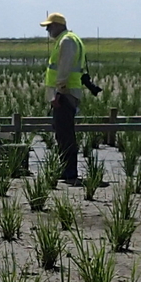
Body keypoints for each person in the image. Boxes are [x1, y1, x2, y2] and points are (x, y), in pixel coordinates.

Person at [41, 12, 85, 184]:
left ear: (58, 25)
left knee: (65, 133)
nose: (48, 30)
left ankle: (69, 172)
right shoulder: (70, 39)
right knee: (63, 133)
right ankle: (66, 169)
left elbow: (64, 69)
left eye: (49, 27)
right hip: (67, 93)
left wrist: (59, 92)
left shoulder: (66, 41)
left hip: (65, 94)